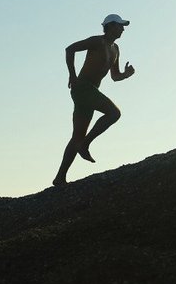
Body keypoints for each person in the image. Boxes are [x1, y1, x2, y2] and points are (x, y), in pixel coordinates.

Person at [52, 13, 136, 186]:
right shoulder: (97, 41)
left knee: (77, 136)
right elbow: (70, 49)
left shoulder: (115, 49)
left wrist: (126, 74)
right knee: (114, 113)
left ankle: (59, 178)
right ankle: (85, 144)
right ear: (110, 26)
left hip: (90, 92)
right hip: (82, 88)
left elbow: (115, 76)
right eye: (120, 25)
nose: (123, 29)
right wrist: (72, 75)